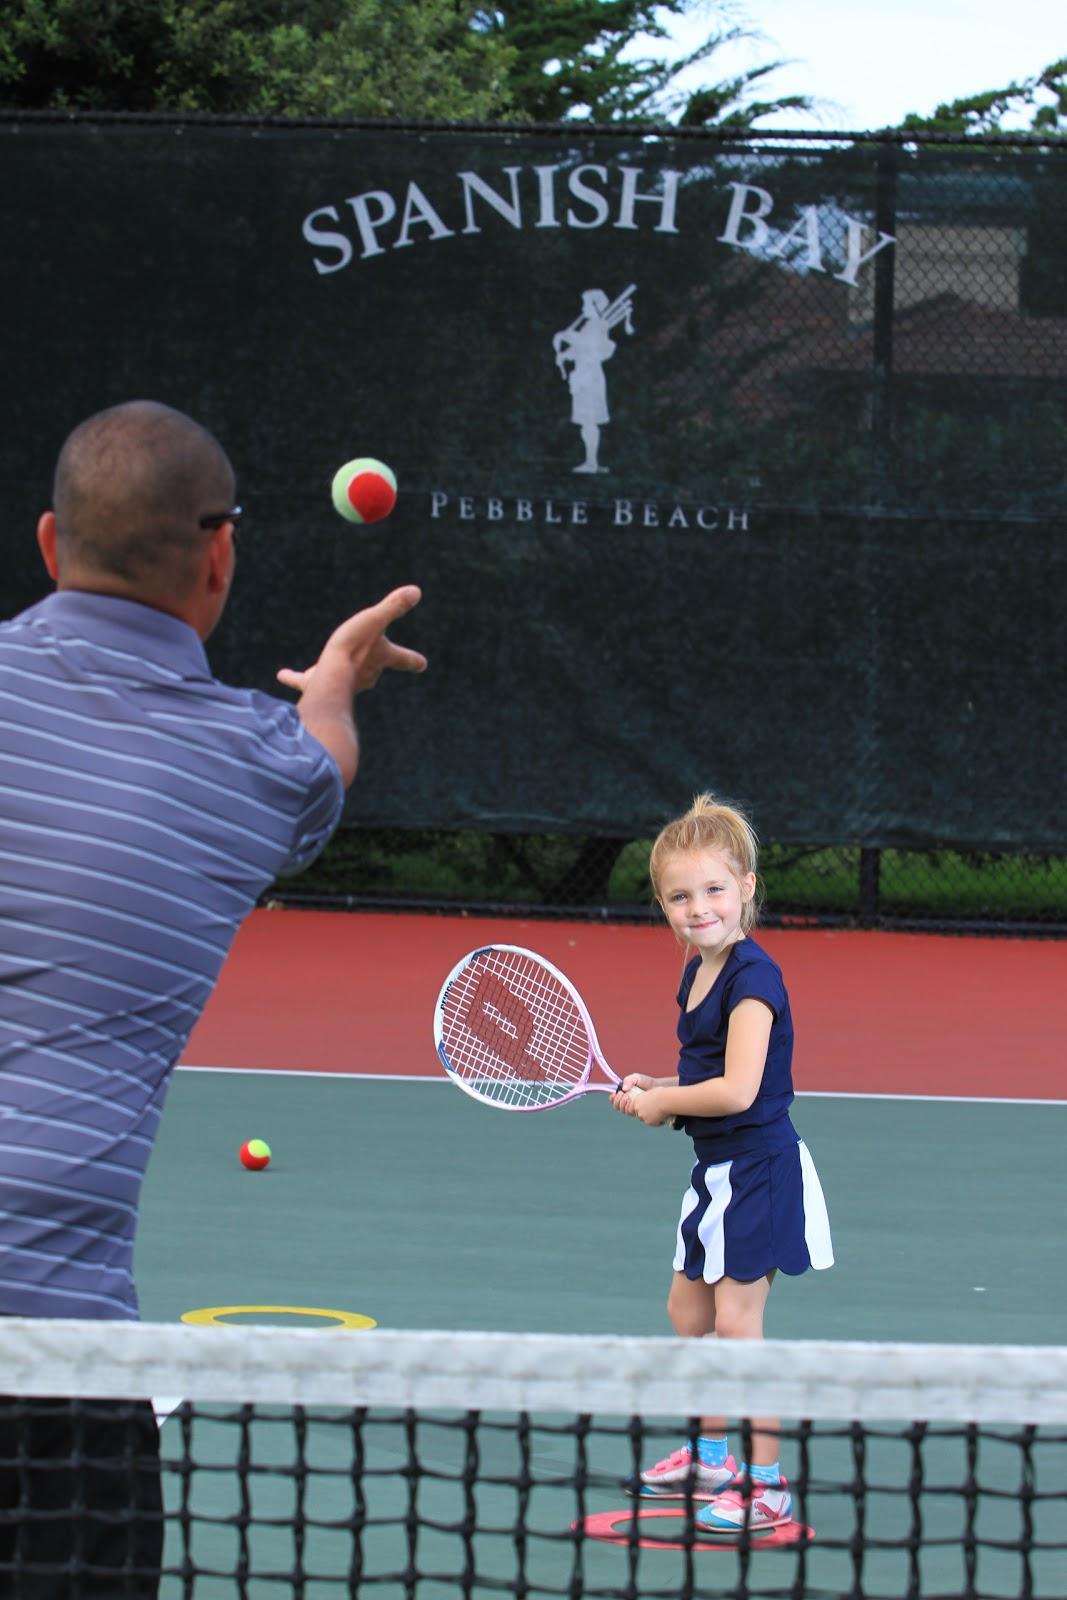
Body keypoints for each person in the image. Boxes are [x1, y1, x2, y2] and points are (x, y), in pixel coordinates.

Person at [0, 399, 427, 1594]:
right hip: (50, 1364)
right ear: (221, 557)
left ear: (47, 543)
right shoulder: (253, 763)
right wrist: (334, 683)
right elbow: (320, 758)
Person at [611, 793, 833, 1534]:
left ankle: (767, 1484)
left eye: (712, 889)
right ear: (662, 905)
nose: (696, 907)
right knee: (687, 1312)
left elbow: (737, 1089)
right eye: (678, 895)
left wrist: (664, 1101)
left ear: (745, 886)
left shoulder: (752, 981)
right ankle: (712, 1456)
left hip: (759, 1171)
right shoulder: (698, 971)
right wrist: (657, 1086)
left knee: (738, 1329)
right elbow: (701, 1077)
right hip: (714, 1173)